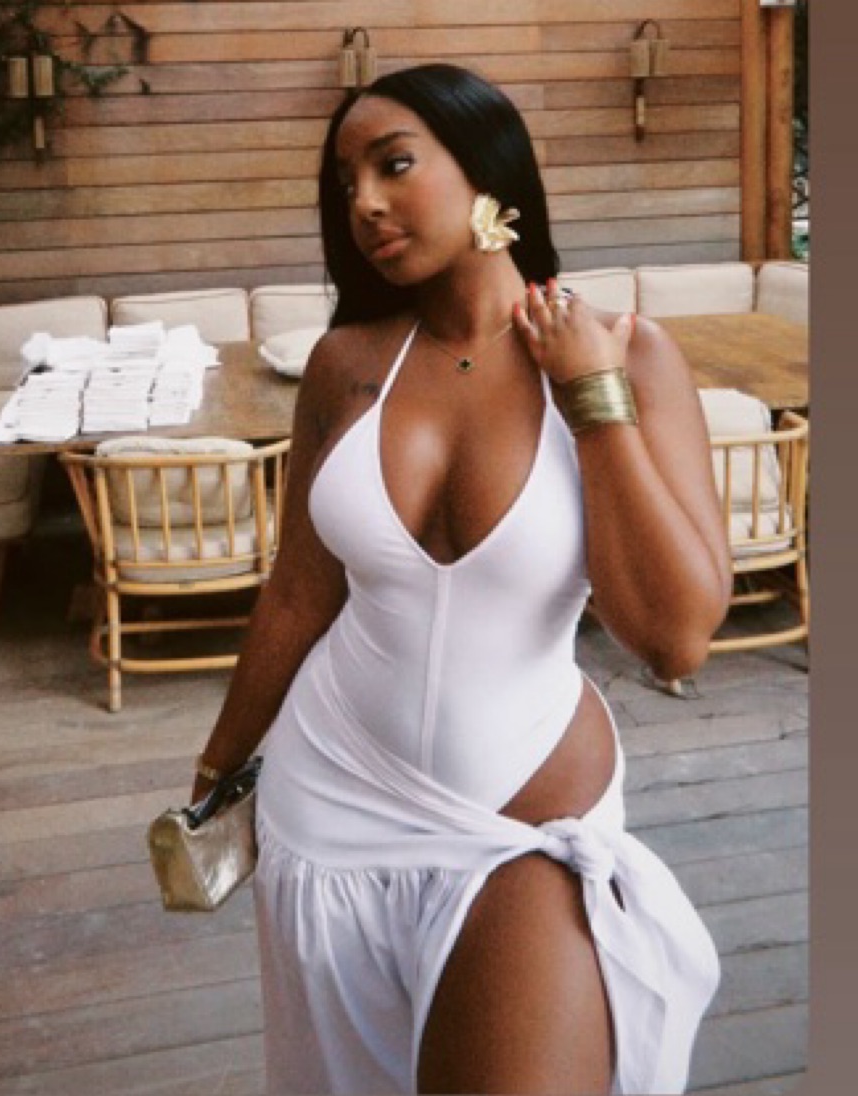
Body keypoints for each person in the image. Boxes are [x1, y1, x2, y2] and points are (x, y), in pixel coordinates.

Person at [193, 63, 731, 1095]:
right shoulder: (347, 362)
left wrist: (590, 392)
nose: (363, 202)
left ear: (490, 171)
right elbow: (300, 592)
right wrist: (219, 764)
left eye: (393, 165)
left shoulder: (627, 352)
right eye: (345, 183)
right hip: (328, 804)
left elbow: (674, 638)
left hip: (521, 827)